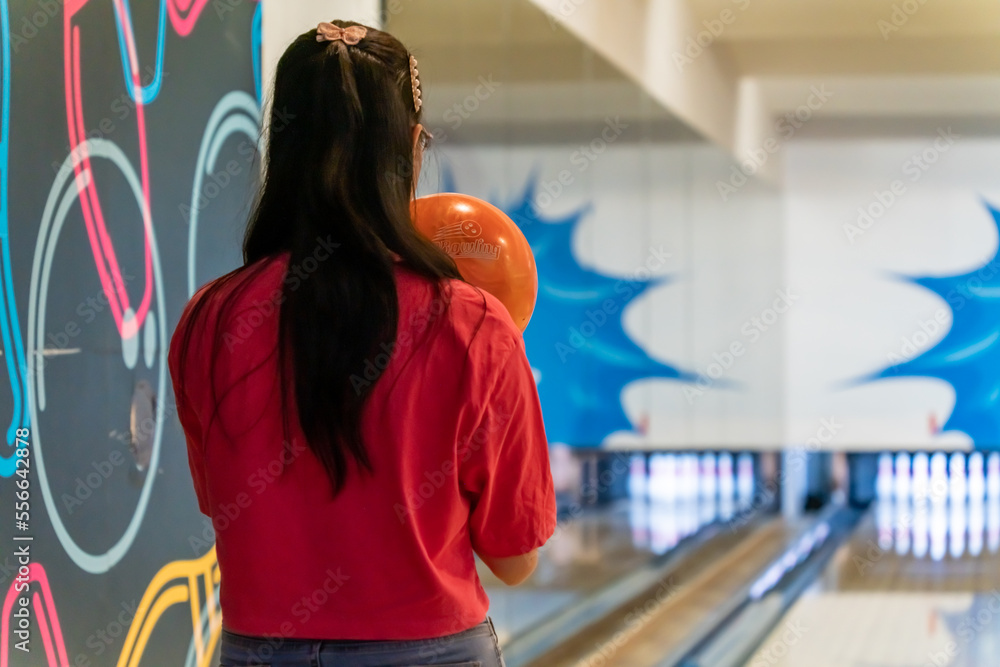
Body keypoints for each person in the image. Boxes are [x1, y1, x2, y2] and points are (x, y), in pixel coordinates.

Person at [168, 19, 556, 667]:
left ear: (283, 144)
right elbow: (516, 560)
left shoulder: (210, 319)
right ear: (409, 145)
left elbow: (220, 504)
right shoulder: (475, 326)